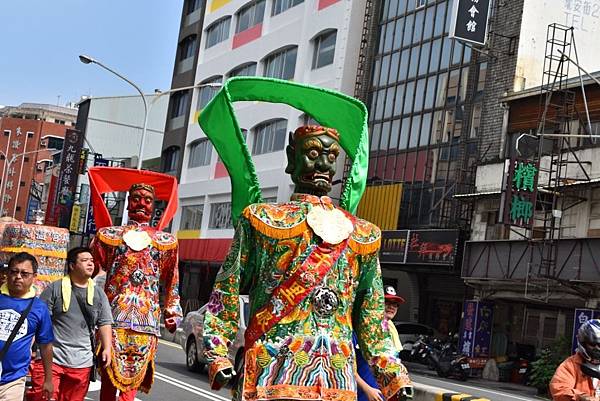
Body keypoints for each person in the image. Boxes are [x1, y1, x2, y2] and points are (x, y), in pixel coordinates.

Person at [203, 125, 412, 401]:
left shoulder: (362, 234)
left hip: (336, 378)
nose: (324, 163)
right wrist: (217, 351)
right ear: (292, 158)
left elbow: (372, 315)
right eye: (313, 153)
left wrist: (392, 374)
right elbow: (227, 289)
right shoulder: (262, 220)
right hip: (271, 372)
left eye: (332, 156)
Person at [90, 183, 182, 401]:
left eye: (147, 200)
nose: (141, 203)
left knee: (132, 381)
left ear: (154, 205)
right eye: (136, 198)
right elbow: (91, 269)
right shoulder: (108, 236)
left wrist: (172, 309)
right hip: (112, 317)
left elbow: (172, 280)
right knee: (108, 373)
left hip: (146, 318)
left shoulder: (166, 242)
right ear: (128, 202)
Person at [30, 247, 113, 401]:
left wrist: (107, 348)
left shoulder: (99, 294)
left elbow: (104, 322)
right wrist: (30, 347)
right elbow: (38, 321)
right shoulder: (54, 288)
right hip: (51, 360)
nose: (90, 264)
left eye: (91, 261)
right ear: (72, 266)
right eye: (84, 260)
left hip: (82, 363)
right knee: (40, 397)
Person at [0, 252, 53, 401]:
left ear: (34, 277)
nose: (18, 277)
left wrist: (48, 379)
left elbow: (46, 346)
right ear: (7, 273)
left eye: (24, 273)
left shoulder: (39, 308)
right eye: (14, 272)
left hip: (13, 380)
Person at [354, 285, 406, 401]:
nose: (391, 307)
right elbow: (346, 366)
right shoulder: (361, 328)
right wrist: (367, 389)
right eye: (387, 302)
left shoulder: (391, 330)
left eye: (395, 304)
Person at [550, 319, 600, 401]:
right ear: (583, 343)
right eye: (593, 344)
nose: (597, 349)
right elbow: (559, 389)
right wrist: (582, 398)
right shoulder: (570, 365)